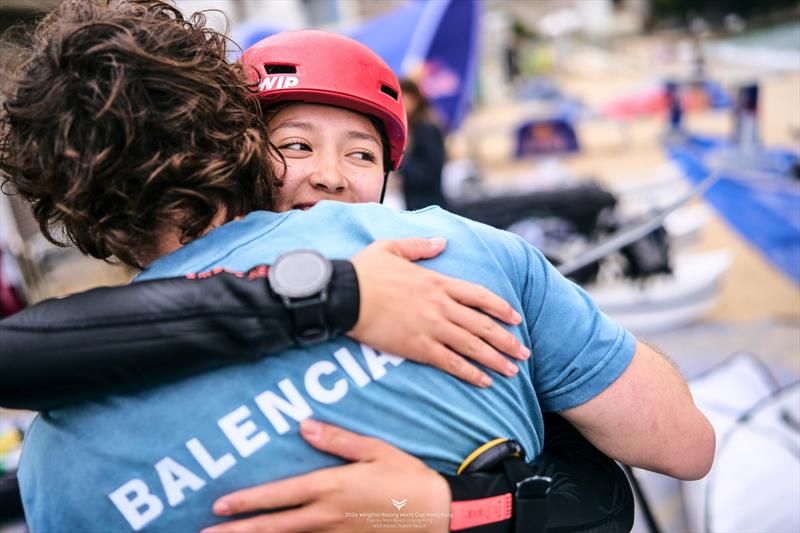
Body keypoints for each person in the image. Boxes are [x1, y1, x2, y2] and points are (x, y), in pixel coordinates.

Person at [0, 2, 714, 531]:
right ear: (239, 141)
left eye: (360, 154)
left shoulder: (54, 469)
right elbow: (680, 445)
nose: (332, 177)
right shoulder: (459, 252)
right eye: (298, 147)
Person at [397, 79, 448, 211]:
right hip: (416, 205)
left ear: (414, 99)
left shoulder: (426, 129)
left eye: (403, 98)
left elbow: (432, 172)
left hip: (429, 206)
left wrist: (401, 163)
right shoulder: (410, 128)